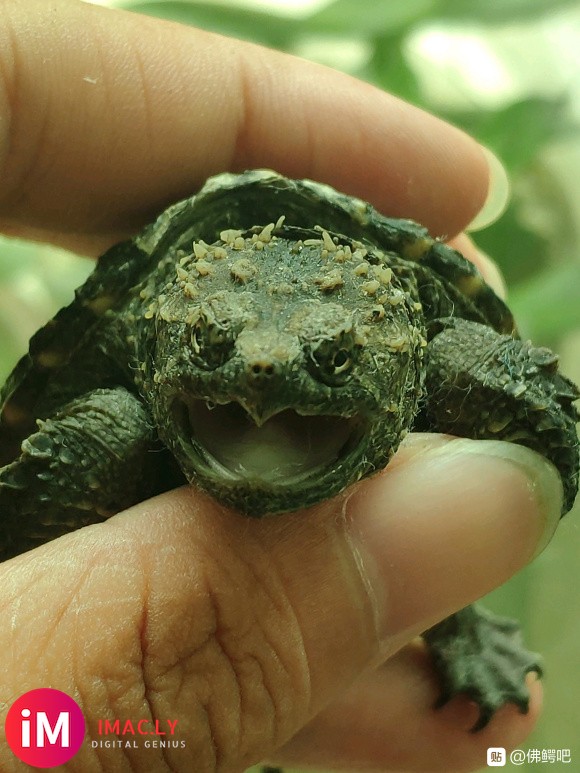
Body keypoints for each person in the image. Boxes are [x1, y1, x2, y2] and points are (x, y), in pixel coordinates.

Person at [0, 1, 563, 771]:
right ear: (171, 328)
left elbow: (533, 409)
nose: (261, 376)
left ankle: (453, 621)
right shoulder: (125, 397)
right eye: (213, 342)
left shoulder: (439, 350)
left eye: (331, 356)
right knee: (112, 431)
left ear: (395, 355)